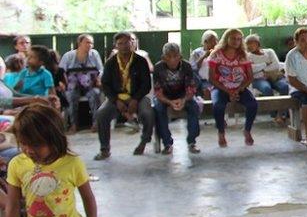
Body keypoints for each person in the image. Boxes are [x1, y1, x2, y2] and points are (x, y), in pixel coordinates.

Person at [94, 32, 154, 160]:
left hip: (137, 97)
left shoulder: (140, 61)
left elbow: (146, 85)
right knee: (101, 113)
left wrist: (135, 99)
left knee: (148, 113)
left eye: (127, 43)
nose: (124, 46)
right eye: (120, 43)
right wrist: (115, 100)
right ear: (116, 45)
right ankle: (104, 149)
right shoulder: (110, 63)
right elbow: (105, 84)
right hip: (117, 98)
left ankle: (144, 141)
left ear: (132, 43)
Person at [207, 29, 257, 148]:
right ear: (226, 39)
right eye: (233, 38)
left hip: (240, 88)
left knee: (253, 104)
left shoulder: (243, 55)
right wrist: (228, 91)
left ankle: (247, 130)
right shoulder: (216, 54)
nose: (236, 41)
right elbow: (211, 78)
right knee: (218, 105)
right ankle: (221, 132)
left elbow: (250, 77)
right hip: (220, 88)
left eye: (239, 39)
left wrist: (239, 89)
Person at [150, 42, 201, 155]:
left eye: (175, 56)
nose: (172, 59)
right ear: (163, 58)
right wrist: (170, 102)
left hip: (183, 96)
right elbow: (158, 91)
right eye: (168, 56)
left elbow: (191, 88)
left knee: (194, 107)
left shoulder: (186, 66)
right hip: (165, 97)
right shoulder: (158, 68)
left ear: (180, 56)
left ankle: (191, 142)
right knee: (158, 109)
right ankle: (167, 143)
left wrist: (183, 100)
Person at [59, 34, 103, 134]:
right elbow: (61, 71)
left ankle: (96, 123)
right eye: (87, 42)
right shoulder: (68, 55)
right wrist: (63, 83)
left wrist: (98, 79)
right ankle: (73, 124)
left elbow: (100, 69)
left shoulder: (94, 54)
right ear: (79, 43)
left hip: (90, 84)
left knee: (95, 94)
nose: (90, 45)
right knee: (70, 96)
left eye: (91, 43)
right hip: (72, 84)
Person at [189, 30, 218, 99]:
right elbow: (194, 68)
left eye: (216, 41)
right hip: (201, 80)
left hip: (215, 80)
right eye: (212, 41)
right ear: (205, 42)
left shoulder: (218, 53)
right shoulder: (196, 53)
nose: (215, 43)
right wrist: (204, 56)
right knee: (206, 90)